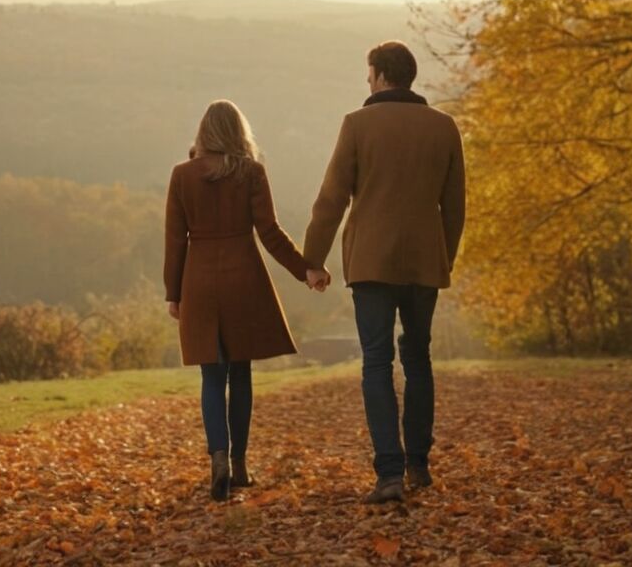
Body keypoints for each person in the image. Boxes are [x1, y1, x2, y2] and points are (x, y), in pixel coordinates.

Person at [304, 40, 466, 504]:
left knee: (376, 362)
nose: (366, 81)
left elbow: (331, 198)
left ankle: (389, 474)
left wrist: (312, 260)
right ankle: (419, 464)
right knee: (418, 359)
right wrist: (444, 256)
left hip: (372, 263)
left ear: (378, 75)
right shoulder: (444, 127)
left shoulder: (357, 124)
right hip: (423, 261)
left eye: (368, 73)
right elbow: (454, 207)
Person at [164, 99, 330, 502]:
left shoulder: (182, 176)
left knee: (211, 376)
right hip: (244, 278)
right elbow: (270, 232)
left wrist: (173, 293)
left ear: (203, 133)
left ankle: (217, 458)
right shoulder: (251, 172)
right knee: (240, 374)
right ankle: (239, 464)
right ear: (240, 134)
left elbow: (174, 240)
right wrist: (306, 268)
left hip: (199, 281)